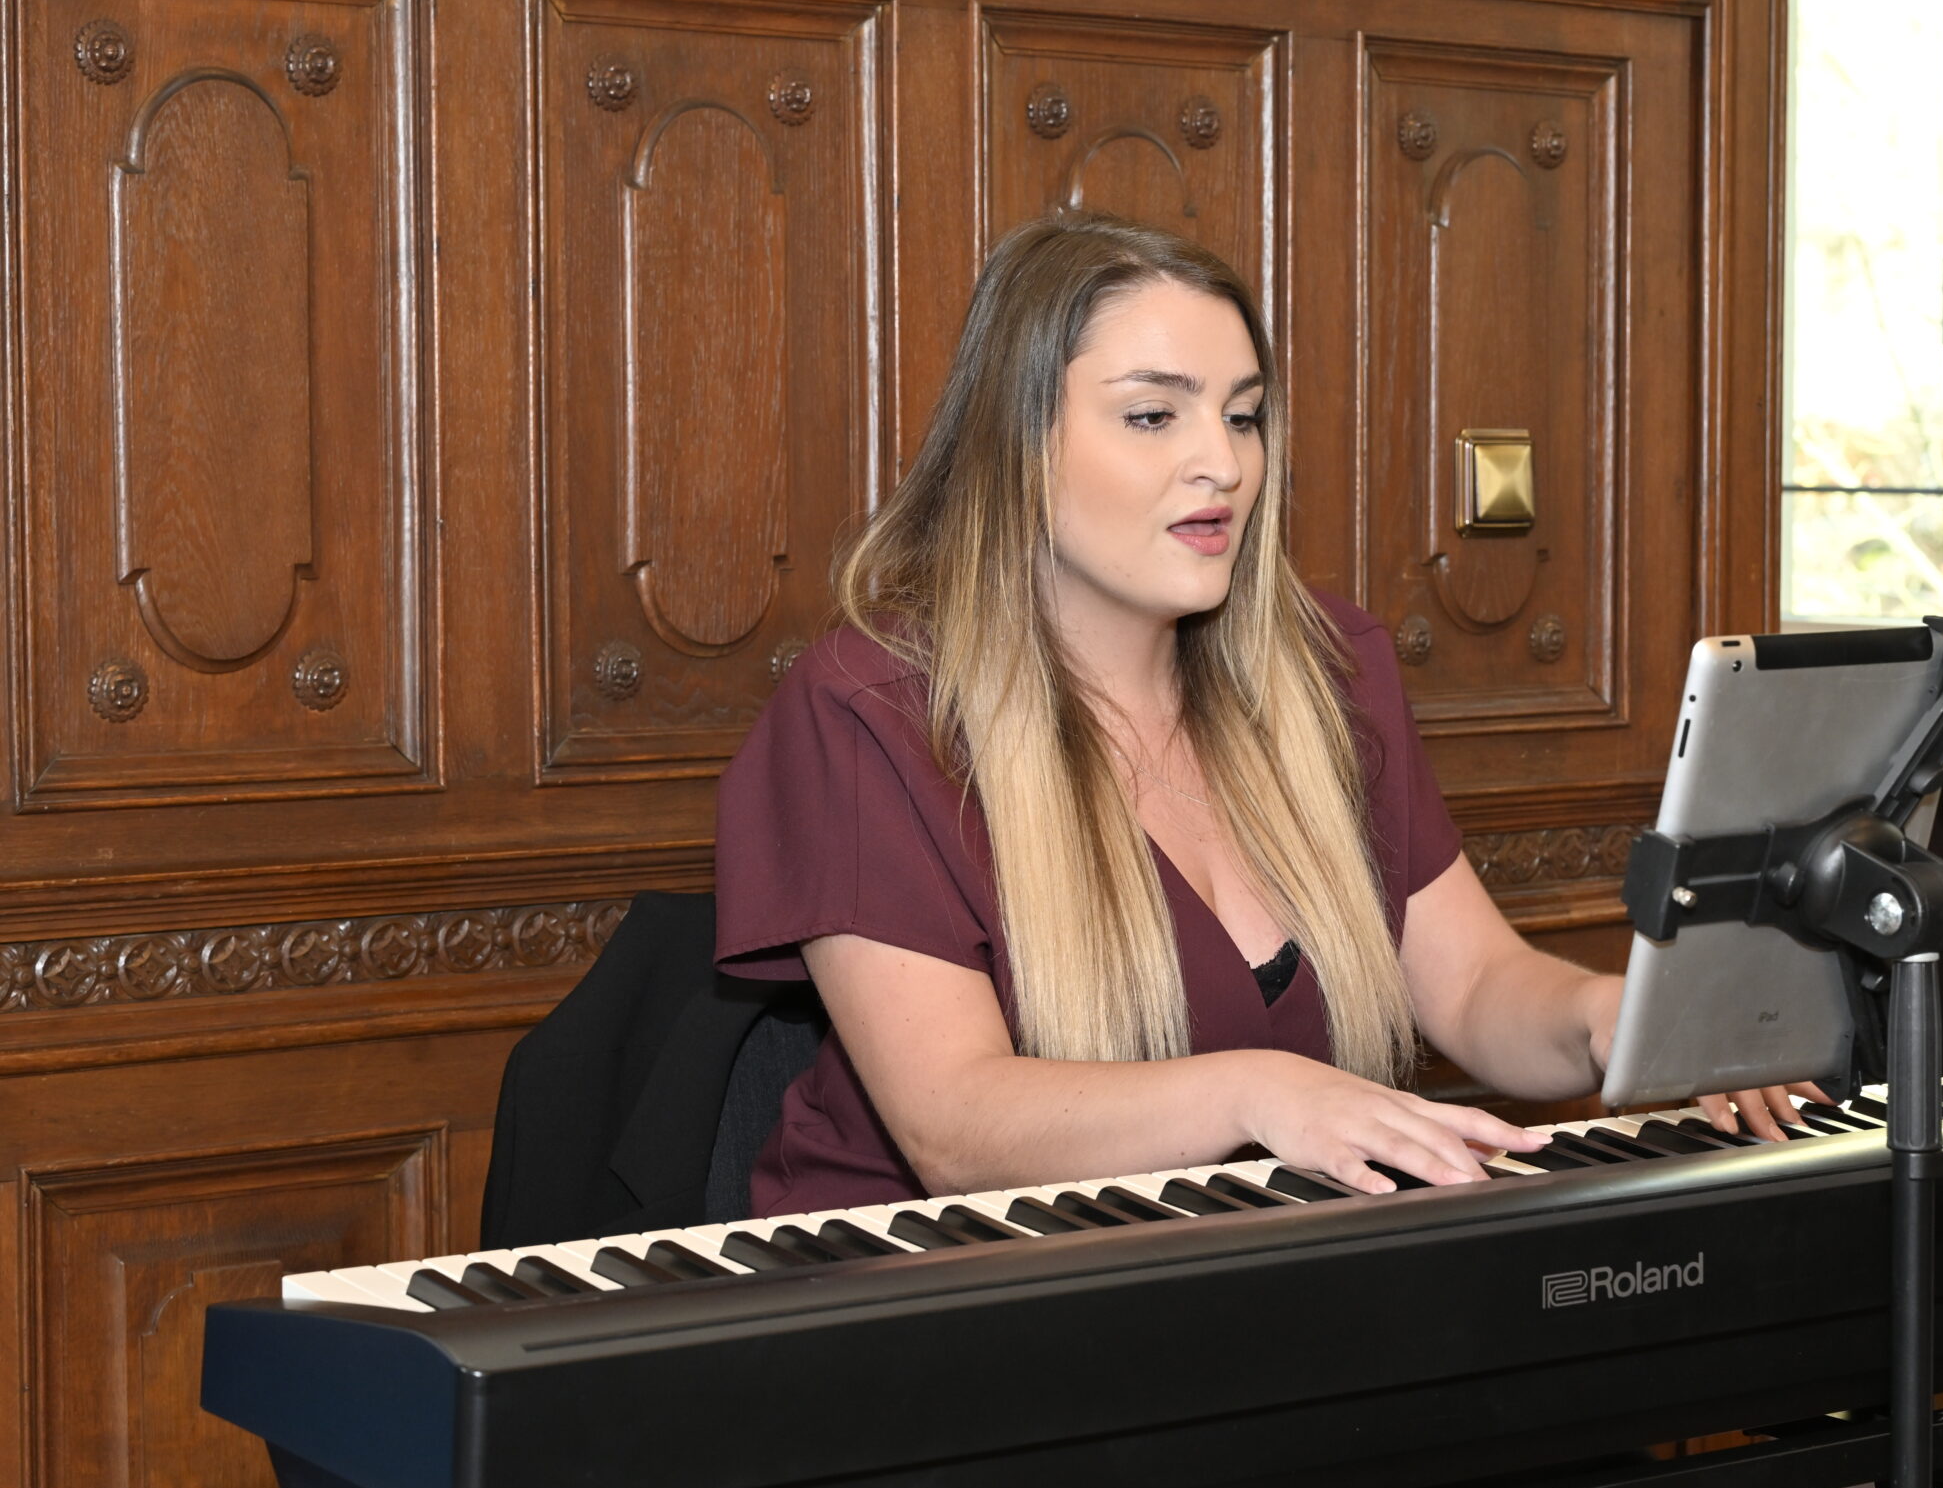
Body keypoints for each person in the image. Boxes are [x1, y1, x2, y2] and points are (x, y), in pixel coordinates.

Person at [714, 208, 1817, 1219]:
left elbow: (1475, 985)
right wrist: (1262, 1094)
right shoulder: (867, 709)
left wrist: (1604, 1015)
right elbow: (957, 1127)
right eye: (1152, 415)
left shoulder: (1330, 670)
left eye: (1243, 417)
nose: (1221, 464)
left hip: (1249, 1273)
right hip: (939, 1307)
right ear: (1016, 445)